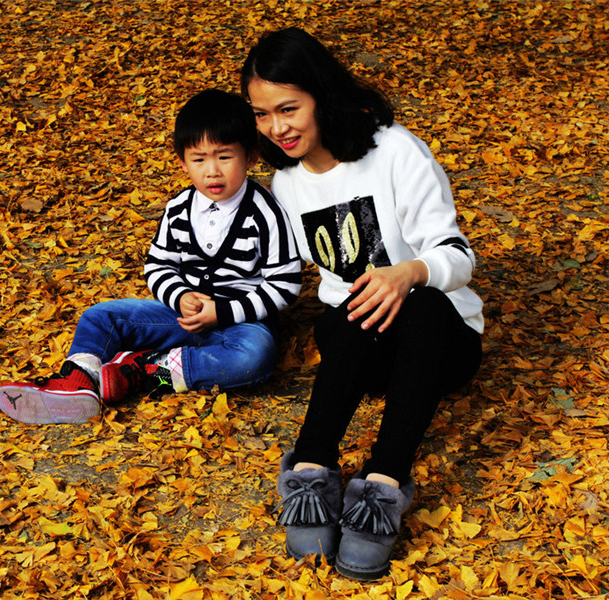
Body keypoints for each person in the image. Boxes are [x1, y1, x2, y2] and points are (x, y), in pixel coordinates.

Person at [241, 28, 484, 580]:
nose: (276, 128)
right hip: (362, 341)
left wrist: (406, 274)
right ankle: (310, 466)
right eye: (261, 114)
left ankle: (385, 482)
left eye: (288, 108)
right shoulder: (286, 183)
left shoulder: (395, 150)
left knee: (416, 302)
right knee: (348, 308)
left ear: (321, 97)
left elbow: (458, 256)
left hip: (440, 340)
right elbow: (320, 281)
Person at [0, 88, 302, 425]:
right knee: (101, 317)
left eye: (224, 157)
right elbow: (159, 266)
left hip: (242, 325)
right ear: (183, 161)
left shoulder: (265, 212)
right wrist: (181, 295)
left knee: (254, 358)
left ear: (251, 157)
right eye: (199, 159)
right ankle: (79, 381)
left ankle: (142, 370)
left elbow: (284, 284)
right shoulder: (179, 209)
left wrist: (223, 312)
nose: (212, 171)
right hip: (180, 316)